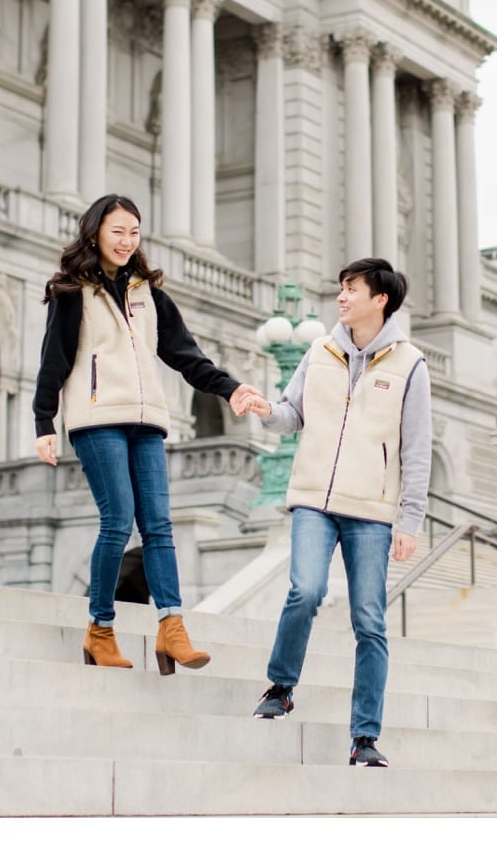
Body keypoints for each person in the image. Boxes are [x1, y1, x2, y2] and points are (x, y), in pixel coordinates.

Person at [33, 194, 264, 673]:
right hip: (97, 421)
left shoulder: (149, 294)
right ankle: (100, 630)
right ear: (95, 231)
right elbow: (52, 363)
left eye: (134, 232)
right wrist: (44, 423)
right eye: (118, 231)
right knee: (117, 520)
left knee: (159, 525)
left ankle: (172, 627)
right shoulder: (71, 292)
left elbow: (185, 355)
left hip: (147, 421)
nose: (126, 241)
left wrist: (231, 389)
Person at [246, 258, 431, 767]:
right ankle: (281, 685)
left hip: (371, 511)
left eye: (352, 289)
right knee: (305, 590)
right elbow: (291, 415)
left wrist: (409, 521)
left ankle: (365, 737)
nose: (342, 297)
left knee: (369, 621)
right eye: (340, 288)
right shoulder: (319, 351)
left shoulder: (410, 363)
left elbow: (417, 449)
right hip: (313, 500)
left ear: (381, 300)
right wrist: (263, 410)